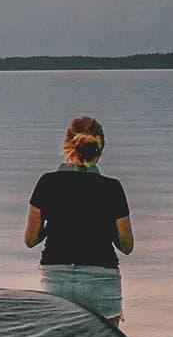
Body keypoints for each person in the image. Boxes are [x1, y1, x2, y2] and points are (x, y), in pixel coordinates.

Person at [24, 116, 133, 324]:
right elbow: (126, 245)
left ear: (67, 146)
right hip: (101, 281)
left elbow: (30, 239)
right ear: (100, 150)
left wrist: (55, 225)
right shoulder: (112, 188)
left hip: (58, 280)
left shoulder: (47, 183)